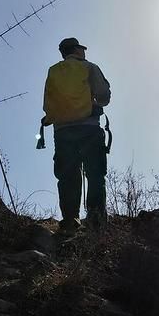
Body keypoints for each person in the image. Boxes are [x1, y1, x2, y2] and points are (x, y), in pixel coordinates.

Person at [42, 37, 111, 235]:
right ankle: (96, 221)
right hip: (89, 127)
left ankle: (70, 220)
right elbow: (103, 95)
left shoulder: (53, 70)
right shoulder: (89, 67)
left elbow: (47, 102)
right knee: (95, 174)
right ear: (77, 50)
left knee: (67, 176)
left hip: (62, 130)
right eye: (82, 48)